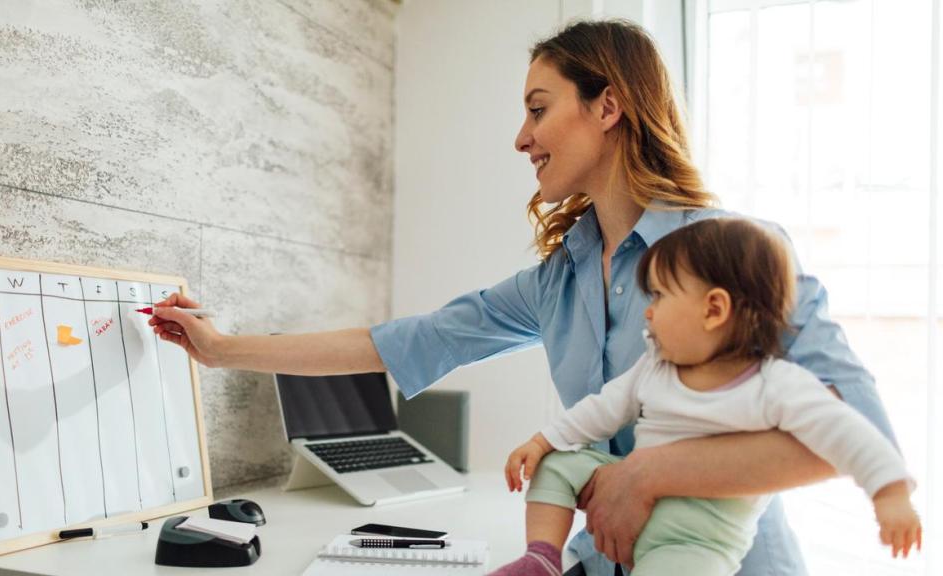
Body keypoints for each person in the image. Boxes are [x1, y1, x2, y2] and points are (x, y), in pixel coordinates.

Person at [149, 19, 903, 576]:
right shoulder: (559, 278)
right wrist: (220, 351)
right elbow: (403, 340)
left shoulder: (740, 254)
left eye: (539, 109)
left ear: (607, 107)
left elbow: (849, 436)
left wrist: (647, 474)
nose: (521, 137)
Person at [490, 218, 920, 576]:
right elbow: (601, 409)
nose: (648, 310)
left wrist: (890, 495)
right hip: (630, 502)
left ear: (713, 309)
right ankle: (541, 559)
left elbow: (850, 432)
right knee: (560, 463)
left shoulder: (775, 384)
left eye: (658, 295)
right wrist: (542, 442)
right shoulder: (656, 365)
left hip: (694, 544)